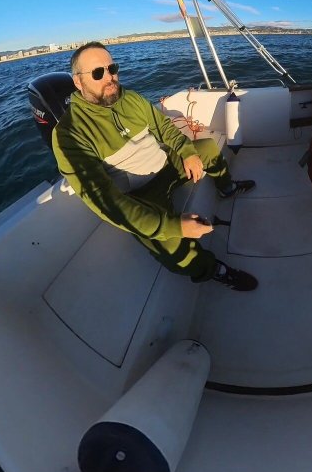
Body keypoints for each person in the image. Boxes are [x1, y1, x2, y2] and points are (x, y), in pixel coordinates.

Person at [52, 42, 258, 292]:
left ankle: (227, 188)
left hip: (167, 166)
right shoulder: (69, 133)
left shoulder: (130, 98)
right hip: (140, 195)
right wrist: (174, 226)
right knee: (175, 251)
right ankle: (213, 270)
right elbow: (105, 201)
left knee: (207, 148)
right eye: (98, 73)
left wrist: (187, 152)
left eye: (112, 68)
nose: (110, 77)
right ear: (78, 82)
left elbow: (164, 128)